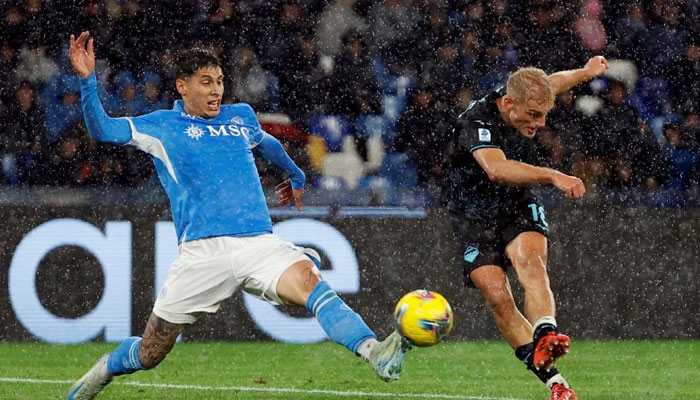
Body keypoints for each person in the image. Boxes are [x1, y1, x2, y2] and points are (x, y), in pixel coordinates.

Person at [66, 31, 411, 400]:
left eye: (219, 82)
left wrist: (295, 174)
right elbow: (101, 129)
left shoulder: (240, 116)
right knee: (151, 352)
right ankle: (105, 370)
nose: (216, 91)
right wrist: (87, 81)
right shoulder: (161, 127)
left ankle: (374, 352)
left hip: (259, 244)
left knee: (311, 284)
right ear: (182, 86)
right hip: (202, 255)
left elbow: (268, 143)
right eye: (205, 83)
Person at [442, 56, 609, 400]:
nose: (540, 123)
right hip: (472, 214)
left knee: (532, 265)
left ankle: (546, 333)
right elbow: (496, 168)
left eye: (545, 114)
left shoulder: (525, 95)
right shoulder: (475, 122)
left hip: (515, 202)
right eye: (533, 115)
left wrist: (586, 72)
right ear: (507, 104)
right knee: (497, 297)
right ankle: (555, 382)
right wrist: (552, 174)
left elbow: (556, 80)